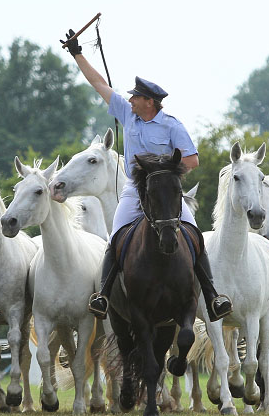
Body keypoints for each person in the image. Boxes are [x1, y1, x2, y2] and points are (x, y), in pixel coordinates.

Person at [61, 30, 231, 322]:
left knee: (194, 237)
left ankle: (212, 295)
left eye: (135, 97)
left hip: (166, 191)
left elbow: (192, 159)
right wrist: (77, 53)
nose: (130, 100)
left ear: (149, 101)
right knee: (115, 237)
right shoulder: (128, 115)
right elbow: (98, 83)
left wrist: (162, 170)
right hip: (134, 190)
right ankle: (103, 294)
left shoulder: (171, 126)